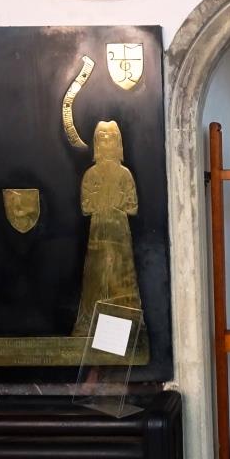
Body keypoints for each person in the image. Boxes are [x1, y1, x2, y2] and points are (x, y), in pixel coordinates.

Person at [72, 121, 143, 336]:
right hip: (98, 234)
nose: (105, 141)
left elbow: (132, 206)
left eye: (110, 137)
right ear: (95, 143)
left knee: (121, 276)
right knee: (96, 276)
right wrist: (104, 202)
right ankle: (90, 324)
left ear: (117, 143)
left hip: (120, 233)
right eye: (100, 137)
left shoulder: (125, 174)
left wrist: (114, 203)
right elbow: (86, 206)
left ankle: (124, 327)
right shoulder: (90, 175)